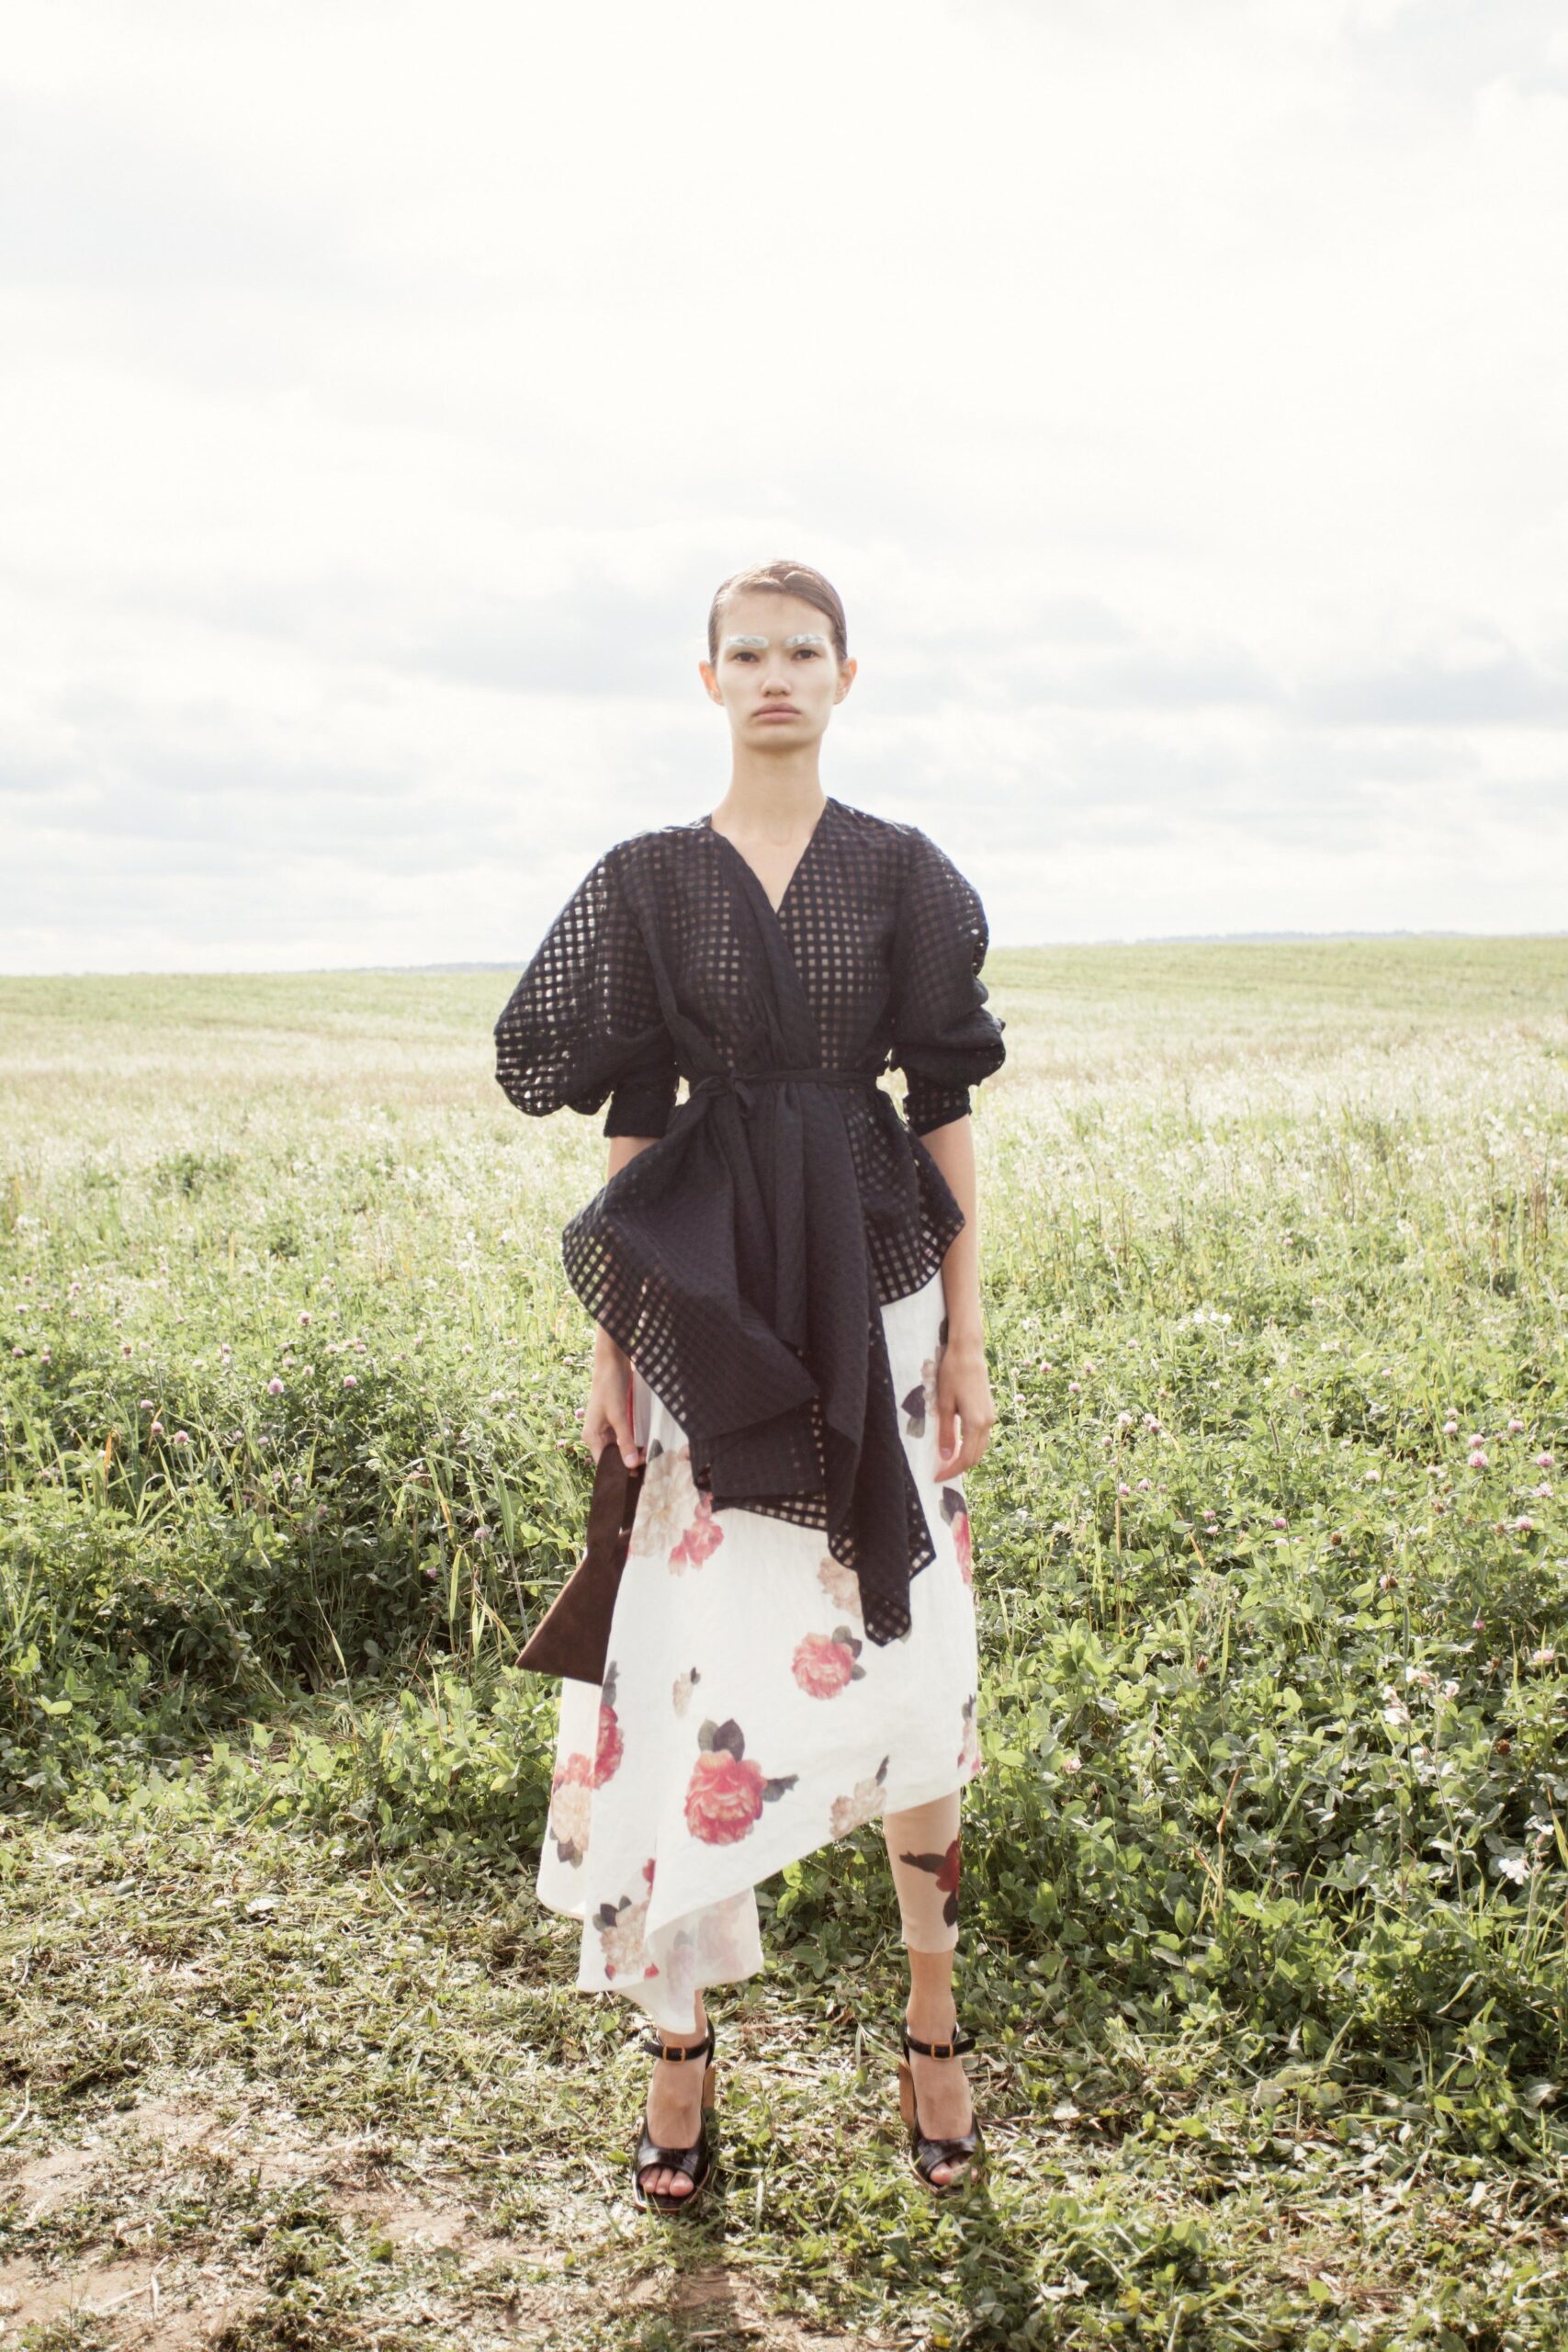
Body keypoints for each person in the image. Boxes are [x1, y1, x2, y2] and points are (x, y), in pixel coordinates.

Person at [494, 559, 1007, 2210]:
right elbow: (628, 1120)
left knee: (900, 1641)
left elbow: (946, 1111)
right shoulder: (651, 880)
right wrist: (613, 1342)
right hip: (705, 1296)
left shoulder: (905, 874)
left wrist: (974, 1333)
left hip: (878, 1283)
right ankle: (679, 2045)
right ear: (705, 677)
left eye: (804, 651)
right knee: (698, 1646)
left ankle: (933, 2020)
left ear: (847, 677)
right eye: (747, 651)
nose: (775, 674)